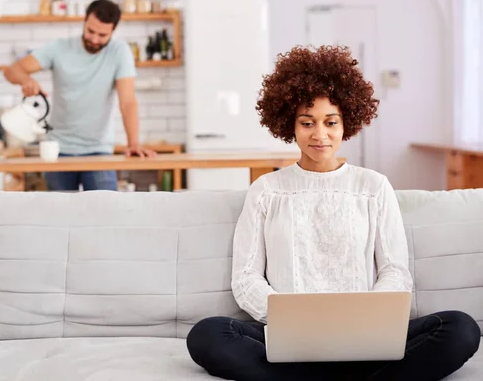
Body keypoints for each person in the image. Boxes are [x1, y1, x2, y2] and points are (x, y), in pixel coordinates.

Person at [186, 46, 481, 381]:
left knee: (460, 329)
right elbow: (245, 277)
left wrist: (367, 319)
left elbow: (395, 272)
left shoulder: (373, 186)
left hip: (366, 337)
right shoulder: (266, 190)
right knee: (208, 335)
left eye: (330, 122)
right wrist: (290, 320)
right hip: (289, 339)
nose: (319, 134)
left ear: (347, 123)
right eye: (307, 122)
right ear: (290, 125)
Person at [3, 0, 156, 192]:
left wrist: (133, 143)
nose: (94, 39)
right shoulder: (59, 48)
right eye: (91, 31)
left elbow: (127, 102)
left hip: (99, 150)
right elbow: (12, 70)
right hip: (58, 150)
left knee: (106, 212)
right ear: (84, 22)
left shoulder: (119, 52)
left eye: (102, 35)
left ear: (113, 31)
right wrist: (26, 81)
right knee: (62, 216)